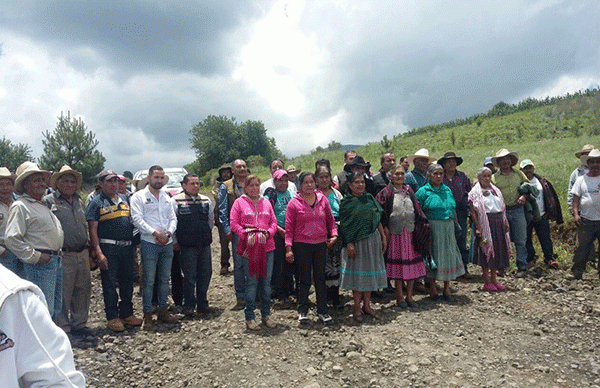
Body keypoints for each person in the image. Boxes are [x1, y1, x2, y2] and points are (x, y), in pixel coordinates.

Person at [0, 263, 86, 387]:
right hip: (42, 259)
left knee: (56, 307)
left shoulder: (17, 301)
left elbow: (57, 381)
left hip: (51, 260)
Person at [5, 162, 64, 321]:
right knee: (42, 309)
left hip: (54, 260)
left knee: (55, 307)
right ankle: (41, 343)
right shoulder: (21, 206)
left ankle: (49, 343)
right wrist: (35, 257)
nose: (42, 184)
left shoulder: (42, 205)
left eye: (42, 180)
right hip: (41, 264)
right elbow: (12, 238)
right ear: (25, 185)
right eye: (36, 180)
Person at [86, 169, 142, 332]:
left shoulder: (125, 199)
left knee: (127, 281)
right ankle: (112, 316)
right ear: (101, 184)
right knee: (110, 283)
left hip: (126, 247)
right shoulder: (96, 203)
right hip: (108, 247)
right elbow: (93, 230)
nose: (114, 184)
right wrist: (98, 252)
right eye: (109, 181)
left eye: (116, 181)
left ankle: (127, 313)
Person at [43, 165, 92, 336]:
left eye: (73, 181)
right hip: (64, 253)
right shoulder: (49, 201)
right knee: (64, 290)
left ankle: (79, 324)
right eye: (65, 181)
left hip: (82, 251)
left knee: (83, 289)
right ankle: (63, 327)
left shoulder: (79, 200)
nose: (70, 184)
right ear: (58, 183)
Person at [285, 172, 338, 325]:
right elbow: (289, 228)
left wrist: (334, 235)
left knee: (320, 278)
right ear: (300, 185)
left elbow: (330, 220)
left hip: (321, 243)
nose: (309, 185)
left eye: (311, 182)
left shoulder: (322, 199)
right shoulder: (293, 203)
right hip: (302, 244)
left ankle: (322, 310)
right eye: (305, 182)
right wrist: (289, 248)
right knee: (304, 278)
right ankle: (303, 309)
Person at [130, 165, 178, 330]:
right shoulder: (138, 197)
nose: (159, 180)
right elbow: (137, 219)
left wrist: (169, 234)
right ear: (149, 178)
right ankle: (148, 313)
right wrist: (155, 233)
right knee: (149, 280)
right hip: (149, 242)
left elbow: (173, 218)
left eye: (161, 178)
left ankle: (163, 310)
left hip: (167, 243)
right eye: (156, 177)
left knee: (165, 279)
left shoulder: (167, 197)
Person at [230, 175, 278, 330]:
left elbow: (273, 222)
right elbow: (234, 223)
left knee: (266, 282)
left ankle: (266, 314)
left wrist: (269, 233)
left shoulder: (266, 202)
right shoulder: (239, 203)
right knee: (251, 281)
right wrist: (244, 234)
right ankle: (249, 317)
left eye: (257, 185)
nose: (255, 188)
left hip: (267, 247)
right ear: (245, 187)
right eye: (251, 185)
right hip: (248, 248)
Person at [376, 165, 426, 307]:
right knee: (398, 267)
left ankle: (409, 297)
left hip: (410, 233)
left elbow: (417, 210)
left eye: (402, 174)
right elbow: (379, 213)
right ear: (390, 177)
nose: (399, 177)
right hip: (395, 234)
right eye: (396, 174)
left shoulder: (409, 191)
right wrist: (384, 230)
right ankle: (400, 297)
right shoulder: (385, 193)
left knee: (411, 266)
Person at [340, 172, 387, 321]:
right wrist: (349, 243)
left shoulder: (370, 199)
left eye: (362, 182)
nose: (360, 185)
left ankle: (367, 305)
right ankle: (356, 307)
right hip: (357, 243)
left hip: (373, 240)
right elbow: (346, 226)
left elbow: (377, 219)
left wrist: (383, 237)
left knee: (370, 273)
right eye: (357, 182)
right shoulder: (347, 202)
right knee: (358, 275)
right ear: (350, 185)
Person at [416, 164, 465, 300]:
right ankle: (432, 287)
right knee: (434, 254)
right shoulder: (423, 191)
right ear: (429, 175)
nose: (438, 176)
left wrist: (456, 225)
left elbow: (452, 208)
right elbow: (417, 210)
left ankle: (447, 288)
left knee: (448, 255)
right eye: (435, 174)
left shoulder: (447, 190)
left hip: (448, 226)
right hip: (432, 227)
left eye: (440, 174)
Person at [173, 174, 214, 316]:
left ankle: (203, 303)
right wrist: (174, 241)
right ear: (184, 185)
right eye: (192, 183)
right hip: (186, 245)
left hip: (204, 244)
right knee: (189, 276)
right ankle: (189, 305)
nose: (195, 186)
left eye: (197, 183)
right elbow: (173, 222)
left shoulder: (206, 200)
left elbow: (210, 221)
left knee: (206, 273)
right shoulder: (175, 201)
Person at [468, 167, 511, 291]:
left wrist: (505, 222)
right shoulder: (475, 192)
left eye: (489, 176)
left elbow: (502, 208)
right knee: (486, 251)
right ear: (479, 178)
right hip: (486, 222)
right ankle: (487, 281)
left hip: (498, 222)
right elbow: (473, 211)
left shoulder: (496, 190)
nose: (487, 179)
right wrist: (478, 226)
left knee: (497, 251)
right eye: (484, 176)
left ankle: (494, 279)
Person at [491, 149, 530, 277]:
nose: (505, 162)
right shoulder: (494, 177)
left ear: (511, 161)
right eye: (502, 160)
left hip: (518, 209)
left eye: (507, 159)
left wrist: (524, 196)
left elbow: (528, 188)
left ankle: (522, 266)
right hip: (501, 212)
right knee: (500, 239)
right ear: (498, 163)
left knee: (521, 239)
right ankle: (501, 267)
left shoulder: (519, 174)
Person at [519, 159, 563, 269]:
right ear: (521, 170)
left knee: (545, 238)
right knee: (527, 238)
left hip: (542, 214)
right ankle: (530, 258)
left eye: (530, 167)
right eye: (525, 168)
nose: (528, 170)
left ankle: (549, 258)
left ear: (533, 168)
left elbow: (550, 197)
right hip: (526, 216)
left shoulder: (542, 181)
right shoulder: (519, 182)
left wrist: (550, 212)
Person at [218, 159, 249, 310]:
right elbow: (222, 209)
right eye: (238, 167)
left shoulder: (252, 182)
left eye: (243, 166)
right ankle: (241, 296)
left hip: (253, 228)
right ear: (233, 170)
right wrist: (226, 228)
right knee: (239, 264)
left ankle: (253, 293)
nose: (242, 169)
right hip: (237, 230)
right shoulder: (226, 186)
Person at [263, 169, 295, 301]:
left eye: (286, 180)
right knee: (278, 262)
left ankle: (290, 288)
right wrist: (279, 229)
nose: (283, 183)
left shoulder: (292, 194)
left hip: (291, 231)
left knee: (291, 261)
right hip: (276, 232)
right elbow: (266, 215)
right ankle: (279, 290)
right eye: (280, 181)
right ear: (274, 182)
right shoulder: (270, 195)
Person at [439, 152, 473, 277]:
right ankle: (449, 269)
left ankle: (463, 268)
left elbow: (471, 192)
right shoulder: (439, 177)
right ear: (444, 164)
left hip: (461, 211)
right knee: (447, 241)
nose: (451, 164)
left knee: (461, 239)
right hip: (444, 213)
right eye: (448, 162)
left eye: (453, 161)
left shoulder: (463, 176)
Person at [314, 165, 344, 308]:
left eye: (327, 176)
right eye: (321, 177)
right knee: (321, 265)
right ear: (316, 179)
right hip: (318, 232)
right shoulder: (312, 195)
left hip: (336, 233)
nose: (324, 179)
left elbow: (343, 212)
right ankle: (323, 297)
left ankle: (336, 296)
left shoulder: (337, 194)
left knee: (336, 264)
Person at [569, 149, 600, 280]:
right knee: (583, 247)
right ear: (588, 164)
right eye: (592, 162)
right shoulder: (581, 180)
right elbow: (575, 199)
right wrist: (576, 214)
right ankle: (577, 271)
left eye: (598, 162)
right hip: (586, 219)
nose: (595, 164)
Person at [211, 164, 233, 275]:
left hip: (235, 217)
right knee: (224, 244)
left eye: (227, 172)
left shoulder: (236, 185)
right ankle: (224, 264)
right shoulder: (216, 187)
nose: (225, 174)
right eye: (223, 172)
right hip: (221, 217)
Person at [0, 167, 21, 276]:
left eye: (8, 184)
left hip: (20, 254)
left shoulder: (18, 205)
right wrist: (2, 251)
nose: (5, 188)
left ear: (13, 187)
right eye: (1, 185)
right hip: (3, 255)